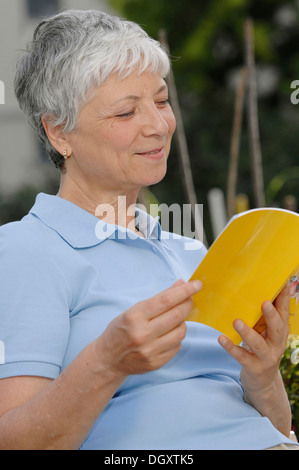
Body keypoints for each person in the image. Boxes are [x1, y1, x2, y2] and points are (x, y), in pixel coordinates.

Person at [0, 9, 297, 451]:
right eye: (125, 113)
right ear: (59, 132)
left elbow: (273, 428)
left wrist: (263, 372)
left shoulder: (192, 253)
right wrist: (106, 361)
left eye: (160, 101)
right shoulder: (26, 250)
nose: (159, 126)